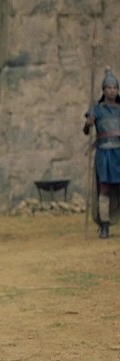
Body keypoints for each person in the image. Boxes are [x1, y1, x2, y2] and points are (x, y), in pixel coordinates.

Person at [83, 68, 120, 239]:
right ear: (103, 90)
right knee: (104, 188)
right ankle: (104, 225)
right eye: (109, 88)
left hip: (119, 151)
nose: (112, 90)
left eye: (115, 88)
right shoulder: (96, 109)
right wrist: (89, 123)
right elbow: (86, 131)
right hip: (104, 153)